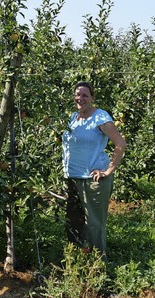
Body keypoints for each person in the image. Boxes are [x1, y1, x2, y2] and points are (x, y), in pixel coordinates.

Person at [61, 81, 127, 261]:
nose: (80, 98)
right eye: (77, 94)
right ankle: (77, 259)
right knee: (73, 222)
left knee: (94, 225)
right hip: (72, 178)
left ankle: (98, 264)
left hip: (92, 180)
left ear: (92, 98)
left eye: (85, 95)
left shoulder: (99, 117)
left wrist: (108, 170)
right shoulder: (73, 118)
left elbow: (120, 144)